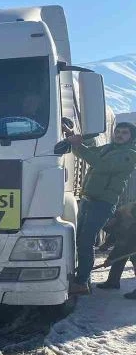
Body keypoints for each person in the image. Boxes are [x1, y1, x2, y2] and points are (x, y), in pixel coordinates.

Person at [67, 122, 136, 295]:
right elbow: (87, 153)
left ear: (131, 137)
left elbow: (99, 163)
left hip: (102, 203)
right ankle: (85, 279)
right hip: (88, 200)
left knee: (86, 241)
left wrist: (78, 144)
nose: (119, 135)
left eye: (124, 133)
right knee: (80, 240)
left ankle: (82, 282)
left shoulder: (129, 155)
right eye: (117, 131)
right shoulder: (109, 148)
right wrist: (78, 141)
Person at [97, 202, 136, 291]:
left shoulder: (127, 216)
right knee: (119, 257)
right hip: (131, 235)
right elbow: (116, 234)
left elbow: (123, 241)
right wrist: (106, 245)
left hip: (133, 236)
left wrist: (111, 258)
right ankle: (113, 282)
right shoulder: (118, 216)